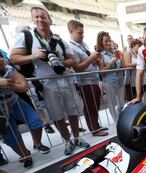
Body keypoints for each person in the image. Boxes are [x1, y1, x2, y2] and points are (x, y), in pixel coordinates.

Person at [10, 7, 89, 155]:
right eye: (36, 17)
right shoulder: (26, 37)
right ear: (33, 20)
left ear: (50, 20)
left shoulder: (59, 40)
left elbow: (72, 60)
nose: (40, 20)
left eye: (43, 17)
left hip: (65, 80)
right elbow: (13, 58)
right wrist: (33, 56)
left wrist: (59, 61)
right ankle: (67, 141)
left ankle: (77, 137)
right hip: (47, 84)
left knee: (72, 111)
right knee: (57, 114)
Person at [0, 54, 49, 168]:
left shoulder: (8, 69)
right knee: (10, 136)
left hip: (14, 102)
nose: (2, 59)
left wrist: (8, 83)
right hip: (1, 111)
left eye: (1, 56)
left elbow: (24, 86)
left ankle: (38, 143)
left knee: (35, 120)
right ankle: (25, 155)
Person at [68, 20, 108, 137]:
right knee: (90, 105)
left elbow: (88, 62)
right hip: (84, 82)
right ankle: (94, 129)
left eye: (82, 33)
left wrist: (95, 59)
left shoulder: (83, 44)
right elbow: (78, 68)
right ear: (71, 32)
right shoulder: (71, 47)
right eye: (79, 33)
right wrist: (91, 58)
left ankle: (96, 125)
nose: (82, 35)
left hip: (93, 79)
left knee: (96, 104)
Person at [97, 31, 125, 123]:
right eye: (106, 41)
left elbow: (123, 66)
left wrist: (121, 61)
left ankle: (120, 116)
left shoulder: (116, 52)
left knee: (121, 103)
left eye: (109, 41)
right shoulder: (100, 54)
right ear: (101, 42)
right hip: (109, 82)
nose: (108, 43)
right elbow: (101, 72)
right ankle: (117, 122)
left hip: (120, 80)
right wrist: (111, 62)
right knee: (112, 103)